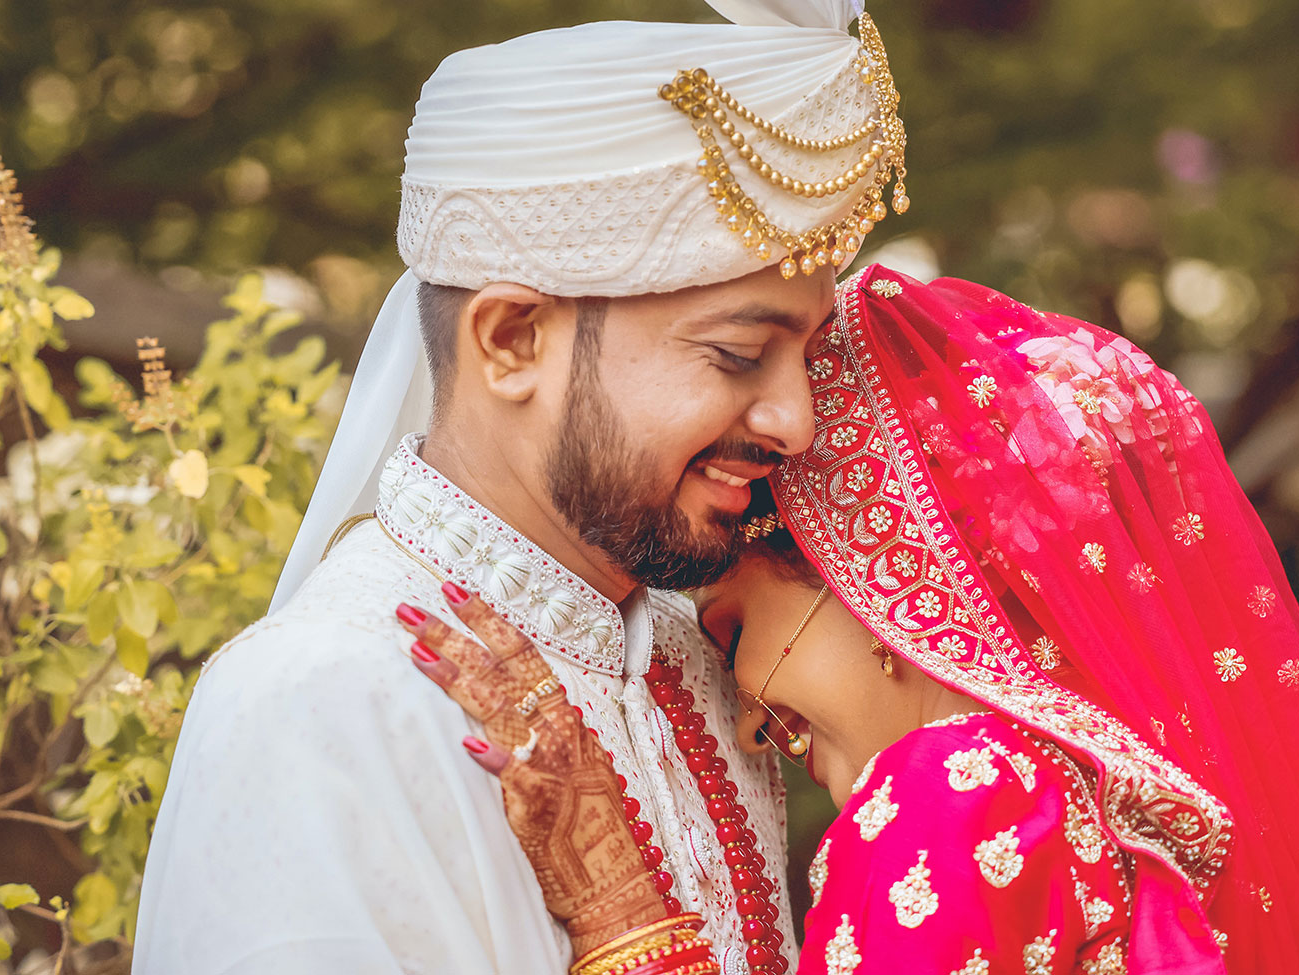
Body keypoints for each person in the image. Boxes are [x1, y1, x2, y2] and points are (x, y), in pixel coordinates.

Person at [133, 2, 912, 972]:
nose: (794, 419)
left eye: (806, 357)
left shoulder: (697, 669)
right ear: (511, 341)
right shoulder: (318, 708)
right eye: (739, 354)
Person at [401, 266, 1299, 974]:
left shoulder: (957, 789)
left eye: (731, 637)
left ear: (874, 581)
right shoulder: (1081, 807)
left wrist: (623, 911)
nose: (752, 720)